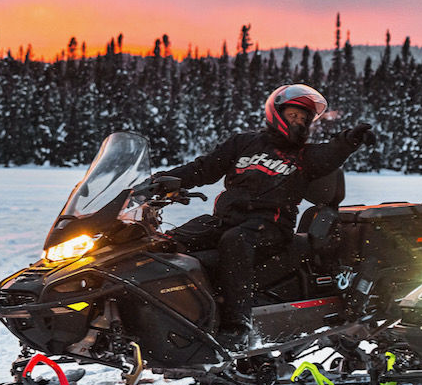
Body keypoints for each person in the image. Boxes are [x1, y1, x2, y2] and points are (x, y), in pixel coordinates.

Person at [147, 84, 376, 345]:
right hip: (226, 220)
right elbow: (204, 168)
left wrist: (350, 140)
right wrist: (160, 181)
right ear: (277, 112)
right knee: (169, 242)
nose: (298, 121)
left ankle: (237, 325)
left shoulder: (304, 155)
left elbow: (329, 153)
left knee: (236, 241)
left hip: (270, 225)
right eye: (294, 115)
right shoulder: (243, 143)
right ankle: (174, 317)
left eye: (304, 118)